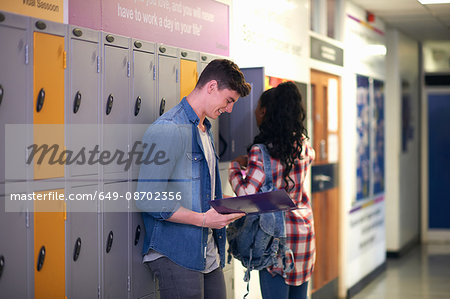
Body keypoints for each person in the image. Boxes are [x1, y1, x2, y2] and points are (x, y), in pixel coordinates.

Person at [136, 59, 251, 299]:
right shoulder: (169, 128)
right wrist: (203, 219)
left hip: (206, 249)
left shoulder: (204, 129)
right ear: (211, 87)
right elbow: (147, 198)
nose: (229, 109)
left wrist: (224, 203)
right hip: (176, 251)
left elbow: (199, 190)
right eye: (229, 100)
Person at [228, 82, 315, 299]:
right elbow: (304, 159)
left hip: (276, 240)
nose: (255, 113)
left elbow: (246, 195)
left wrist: (235, 167)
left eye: (258, 108)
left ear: (265, 112)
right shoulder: (303, 145)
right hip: (303, 236)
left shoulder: (261, 151)